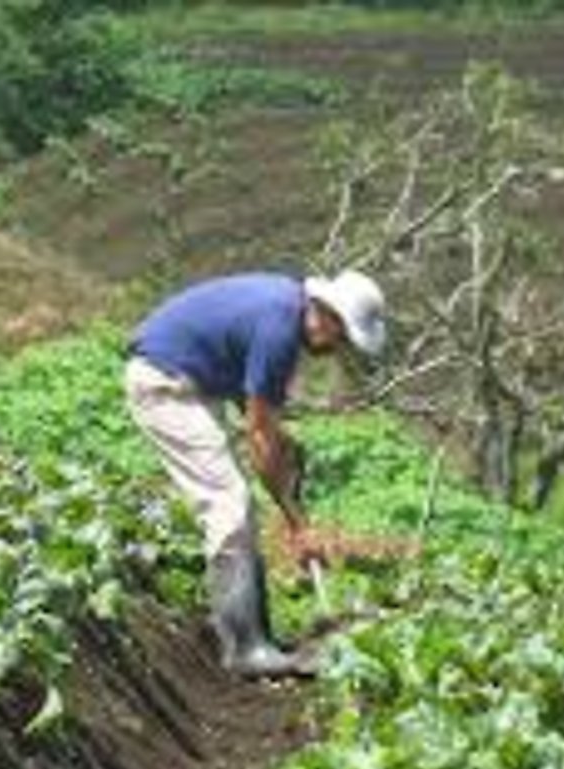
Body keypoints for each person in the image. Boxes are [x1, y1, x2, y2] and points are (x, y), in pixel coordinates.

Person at [125, 269, 386, 679]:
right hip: (165, 383)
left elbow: (261, 419)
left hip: (193, 379)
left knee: (239, 501)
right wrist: (297, 524)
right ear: (327, 316)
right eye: (341, 338)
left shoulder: (284, 307)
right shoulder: (280, 330)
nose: (337, 349)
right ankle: (245, 648)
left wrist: (285, 459)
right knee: (229, 504)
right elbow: (259, 434)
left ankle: (259, 637)